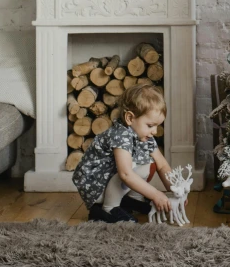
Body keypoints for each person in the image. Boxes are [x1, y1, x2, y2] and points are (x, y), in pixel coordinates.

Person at [72, 84, 172, 223]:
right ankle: (108, 208)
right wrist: (155, 194)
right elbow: (125, 174)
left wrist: (174, 190)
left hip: (110, 178)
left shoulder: (145, 136)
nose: (154, 131)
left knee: (149, 164)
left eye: (157, 126)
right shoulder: (121, 135)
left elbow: (162, 165)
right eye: (150, 126)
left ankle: (131, 200)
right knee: (131, 170)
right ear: (130, 118)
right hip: (95, 183)